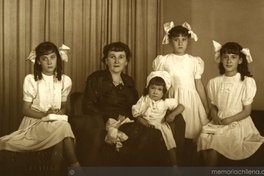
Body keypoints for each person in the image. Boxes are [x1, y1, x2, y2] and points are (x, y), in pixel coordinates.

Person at [82, 42, 171, 166]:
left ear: (126, 61)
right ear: (106, 60)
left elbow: (135, 106)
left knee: (154, 134)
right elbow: (87, 106)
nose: (117, 61)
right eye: (112, 57)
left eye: (121, 57)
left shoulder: (128, 81)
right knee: (146, 136)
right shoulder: (96, 78)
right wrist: (110, 117)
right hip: (106, 122)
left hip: (129, 121)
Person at [0, 42, 80, 171]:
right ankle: (76, 167)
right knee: (63, 127)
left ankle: (56, 172)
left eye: (52, 57)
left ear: (57, 59)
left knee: (60, 132)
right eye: (44, 58)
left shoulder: (65, 80)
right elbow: (25, 110)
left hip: (55, 122)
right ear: (38, 61)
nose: (49, 62)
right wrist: (45, 115)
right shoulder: (32, 80)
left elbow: (65, 107)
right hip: (35, 122)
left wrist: (59, 113)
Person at [197, 41, 264, 166]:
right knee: (203, 138)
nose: (229, 61)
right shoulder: (214, 82)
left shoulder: (245, 82)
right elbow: (213, 106)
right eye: (225, 57)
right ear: (220, 59)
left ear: (240, 60)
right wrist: (215, 116)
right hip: (219, 121)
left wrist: (229, 120)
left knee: (214, 144)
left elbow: (246, 111)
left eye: (233, 57)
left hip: (237, 122)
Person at [152, 21, 209, 165]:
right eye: (176, 40)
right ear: (170, 41)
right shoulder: (164, 61)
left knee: (195, 135)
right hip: (174, 101)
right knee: (176, 135)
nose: (180, 43)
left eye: (183, 40)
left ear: (188, 41)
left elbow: (199, 85)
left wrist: (206, 106)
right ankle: (176, 164)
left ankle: (193, 166)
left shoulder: (194, 61)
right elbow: (159, 85)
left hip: (192, 102)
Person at [132, 70, 185, 167]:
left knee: (170, 145)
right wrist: (145, 124)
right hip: (144, 125)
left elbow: (181, 107)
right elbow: (137, 114)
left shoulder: (165, 102)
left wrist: (172, 115)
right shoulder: (144, 99)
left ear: (164, 91)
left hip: (160, 126)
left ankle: (174, 165)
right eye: (153, 88)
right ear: (148, 88)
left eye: (159, 89)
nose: (155, 92)